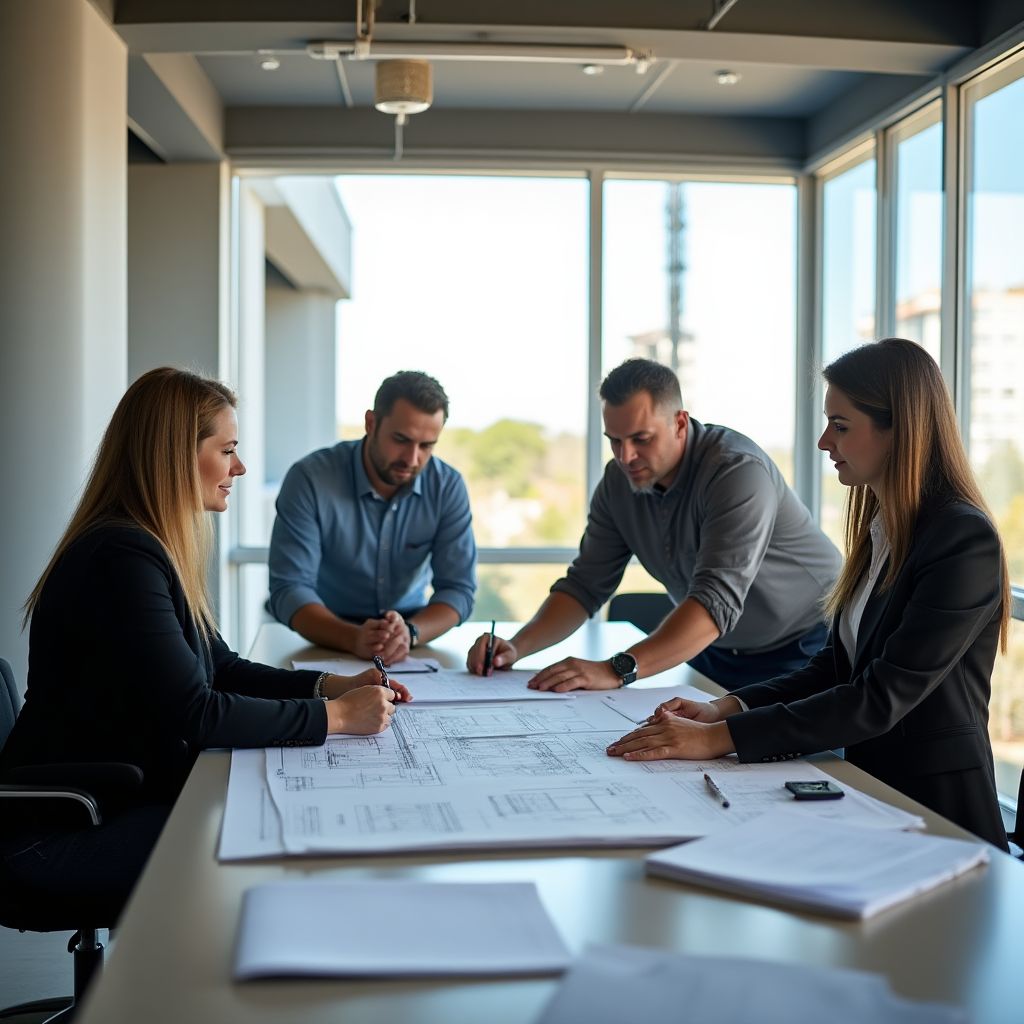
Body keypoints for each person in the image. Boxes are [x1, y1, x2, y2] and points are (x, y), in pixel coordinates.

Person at [0, 368, 408, 914]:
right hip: (65, 826)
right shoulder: (121, 560)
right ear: (175, 454)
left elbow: (223, 668)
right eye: (228, 449)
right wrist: (337, 719)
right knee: (266, 846)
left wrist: (333, 686)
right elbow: (195, 713)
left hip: (117, 797)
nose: (238, 467)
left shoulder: (148, 548)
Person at [607, 339, 1011, 850]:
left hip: (938, 815)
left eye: (840, 426)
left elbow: (878, 698)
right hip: (872, 797)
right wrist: (726, 708)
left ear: (899, 431)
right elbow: (835, 668)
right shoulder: (883, 529)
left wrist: (716, 741)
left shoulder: (961, 540)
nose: (824, 442)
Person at [467, 358, 840, 691]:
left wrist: (615, 670)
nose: (625, 456)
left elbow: (715, 602)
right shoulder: (619, 482)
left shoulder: (737, 471)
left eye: (641, 439)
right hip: (713, 648)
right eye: (614, 440)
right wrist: (516, 647)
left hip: (808, 644)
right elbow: (584, 586)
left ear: (679, 423)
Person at [269, 370, 476, 664]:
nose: (412, 458)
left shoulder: (447, 486)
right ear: (371, 423)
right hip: (325, 635)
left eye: (426, 445)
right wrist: (352, 637)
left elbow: (458, 590)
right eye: (401, 439)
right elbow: (289, 589)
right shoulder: (310, 479)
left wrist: (411, 633)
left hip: (410, 639)